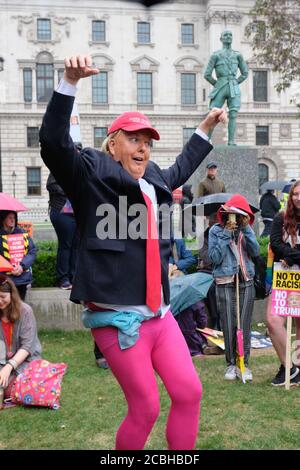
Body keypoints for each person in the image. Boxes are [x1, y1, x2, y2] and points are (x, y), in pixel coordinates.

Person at [39, 53, 226, 450]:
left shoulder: (153, 179)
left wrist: (205, 130)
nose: (142, 148)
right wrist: (69, 83)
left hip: (159, 316)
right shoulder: (90, 174)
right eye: (134, 139)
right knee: (145, 408)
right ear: (113, 143)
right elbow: (54, 144)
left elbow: (181, 168)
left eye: (147, 142)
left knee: (189, 393)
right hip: (119, 319)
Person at [208, 194, 260, 381]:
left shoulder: (246, 230)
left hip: (246, 279)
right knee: (229, 323)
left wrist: (246, 229)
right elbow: (214, 258)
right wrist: (226, 234)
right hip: (225, 280)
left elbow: (254, 252)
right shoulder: (216, 230)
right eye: (232, 214)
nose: (235, 218)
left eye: (238, 215)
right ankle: (231, 364)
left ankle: (243, 363)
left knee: (244, 323)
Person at [267, 180, 300, 386]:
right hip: (284, 277)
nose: (298, 198)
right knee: (272, 321)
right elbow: (276, 245)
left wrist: (292, 257)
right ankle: (288, 365)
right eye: (295, 194)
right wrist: (292, 255)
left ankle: (297, 365)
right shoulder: (281, 218)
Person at [0, 274, 42, 399]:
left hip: (25, 361)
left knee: (9, 388)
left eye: (3, 297)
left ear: (12, 295)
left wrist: (9, 366)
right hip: (2, 360)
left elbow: (27, 346)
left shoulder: (25, 311)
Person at [204, 29, 248, 146]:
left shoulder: (238, 55)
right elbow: (207, 74)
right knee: (213, 114)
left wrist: (236, 82)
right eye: (225, 35)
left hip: (233, 87)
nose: (228, 37)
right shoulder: (216, 55)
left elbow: (245, 73)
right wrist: (217, 84)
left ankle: (231, 141)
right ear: (221, 38)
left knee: (233, 114)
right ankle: (206, 140)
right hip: (221, 85)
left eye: (230, 35)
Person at [47, 173, 78, 290]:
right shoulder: (59, 164)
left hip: (78, 212)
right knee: (66, 244)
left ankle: (74, 277)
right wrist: (71, 190)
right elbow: (51, 185)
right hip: (62, 211)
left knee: (76, 245)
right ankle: (63, 278)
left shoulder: (81, 164)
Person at [0, 211, 36, 300]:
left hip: (21, 278)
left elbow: (32, 251)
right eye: (9, 218)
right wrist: (8, 267)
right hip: (3, 278)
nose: (12, 220)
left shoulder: (23, 233)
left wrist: (22, 266)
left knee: (20, 306)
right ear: (3, 219)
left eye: (14, 218)